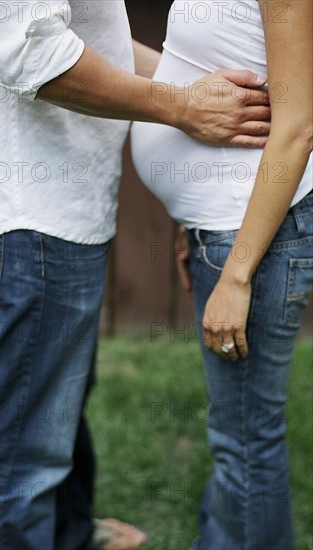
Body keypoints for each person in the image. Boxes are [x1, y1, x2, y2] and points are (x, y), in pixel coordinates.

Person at [0, 1, 272, 548]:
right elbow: (30, 47)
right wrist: (181, 105)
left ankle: (67, 531)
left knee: (52, 387)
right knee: (24, 442)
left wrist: (194, 83)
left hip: (53, 199)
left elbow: (83, 35)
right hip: (31, 204)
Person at [131, 0, 312, 548]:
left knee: (246, 442)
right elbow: (185, 68)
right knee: (237, 434)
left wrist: (236, 275)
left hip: (254, 240)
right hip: (225, 230)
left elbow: (298, 129)